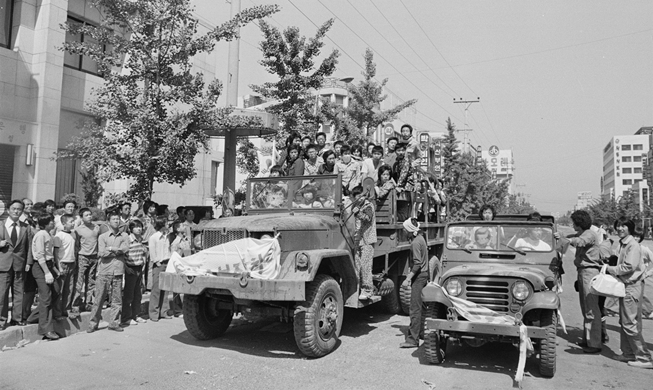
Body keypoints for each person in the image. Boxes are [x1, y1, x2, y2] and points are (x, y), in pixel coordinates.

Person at [605, 217, 653, 368]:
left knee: (630, 324)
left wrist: (609, 269)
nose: (620, 228)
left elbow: (628, 267)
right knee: (625, 321)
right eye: (618, 225)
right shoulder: (624, 243)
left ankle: (644, 357)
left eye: (624, 226)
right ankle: (628, 353)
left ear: (630, 228)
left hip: (631, 286)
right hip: (627, 286)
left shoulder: (632, 245)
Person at [554, 210, 603, 354]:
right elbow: (572, 237)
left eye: (573, 222)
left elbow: (579, 241)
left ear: (579, 223)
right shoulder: (583, 233)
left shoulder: (588, 234)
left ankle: (594, 343)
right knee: (586, 307)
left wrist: (568, 240)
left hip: (589, 272)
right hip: (583, 272)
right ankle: (588, 339)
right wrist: (562, 237)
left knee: (591, 309)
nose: (572, 225)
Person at [87, 210, 129, 333]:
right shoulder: (102, 237)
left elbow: (125, 249)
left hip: (118, 271)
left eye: (118, 219)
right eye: (114, 219)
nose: (116, 221)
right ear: (108, 222)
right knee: (99, 298)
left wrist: (111, 248)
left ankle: (114, 323)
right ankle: (93, 323)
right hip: (105, 271)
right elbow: (102, 253)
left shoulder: (124, 236)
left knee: (117, 299)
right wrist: (116, 251)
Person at [0, 199, 32, 329]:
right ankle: (1, 320)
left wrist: (28, 262)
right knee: (2, 293)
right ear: (8, 210)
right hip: (3, 264)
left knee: (18, 293)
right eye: (14, 208)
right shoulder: (1, 225)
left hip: (20, 264)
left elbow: (29, 246)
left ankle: (16, 318)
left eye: (19, 209)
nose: (16, 211)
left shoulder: (26, 227)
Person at [29, 213, 60, 340]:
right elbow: (40, 255)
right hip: (40, 267)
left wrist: (55, 270)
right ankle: (46, 330)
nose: (53, 223)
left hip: (48, 265)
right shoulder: (41, 234)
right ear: (45, 224)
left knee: (56, 291)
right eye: (50, 222)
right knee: (46, 297)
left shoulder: (49, 235)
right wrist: (47, 272)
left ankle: (33, 317)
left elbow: (50, 255)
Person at [400, 218, 429, 348]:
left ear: (410, 230)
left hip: (419, 276)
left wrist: (408, 278)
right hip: (424, 275)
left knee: (414, 308)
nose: (403, 231)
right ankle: (421, 333)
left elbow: (417, 263)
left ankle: (413, 340)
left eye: (404, 229)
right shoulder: (421, 238)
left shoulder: (415, 243)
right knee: (421, 306)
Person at [348, 186, 376, 300]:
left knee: (366, 266)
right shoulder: (355, 206)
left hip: (368, 240)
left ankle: (368, 290)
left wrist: (358, 213)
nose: (359, 198)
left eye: (361, 196)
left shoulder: (368, 205)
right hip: (358, 240)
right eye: (356, 196)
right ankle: (356, 288)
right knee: (356, 266)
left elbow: (367, 218)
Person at [72, 207, 99, 315]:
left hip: (94, 256)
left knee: (91, 281)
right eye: (86, 215)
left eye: (90, 214)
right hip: (83, 256)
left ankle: (89, 303)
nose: (89, 217)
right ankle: (76, 304)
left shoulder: (96, 227)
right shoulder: (78, 230)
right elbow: (77, 244)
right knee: (79, 282)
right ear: (82, 218)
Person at [121, 219, 147, 327]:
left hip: (139, 268)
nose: (139, 229)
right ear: (131, 229)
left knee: (138, 294)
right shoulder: (127, 240)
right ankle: (126, 318)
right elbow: (122, 255)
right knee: (128, 295)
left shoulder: (140, 239)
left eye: (140, 226)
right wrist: (126, 268)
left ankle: (136, 315)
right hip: (130, 269)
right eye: (136, 227)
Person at [53, 214, 78, 319]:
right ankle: (57, 312)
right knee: (60, 289)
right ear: (63, 223)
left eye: (73, 221)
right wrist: (59, 266)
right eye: (70, 222)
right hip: (62, 263)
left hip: (71, 263)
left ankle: (66, 309)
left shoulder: (73, 234)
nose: (73, 223)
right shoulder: (59, 235)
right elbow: (56, 252)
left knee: (69, 288)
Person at [148, 216, 173, 321]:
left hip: (167, 263)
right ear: (161, 224)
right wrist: (156, 261)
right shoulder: (154, 237)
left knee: (165, 289)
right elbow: (152, 251)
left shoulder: (167, 236)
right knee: (156, 289)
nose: (167, 225)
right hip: (158, 264)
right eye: (166, 223)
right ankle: (154, 313)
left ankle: (164, 311)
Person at [392, 143, 413, 222]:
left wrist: (398, 186)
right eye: (398, 150)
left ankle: (401, 217)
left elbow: (403, 175)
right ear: (395, 152)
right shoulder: (397, 162)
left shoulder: (406, 161)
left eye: (402, 150)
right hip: (400, 186)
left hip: (407, 186)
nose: (401, 152)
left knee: (403, 206)